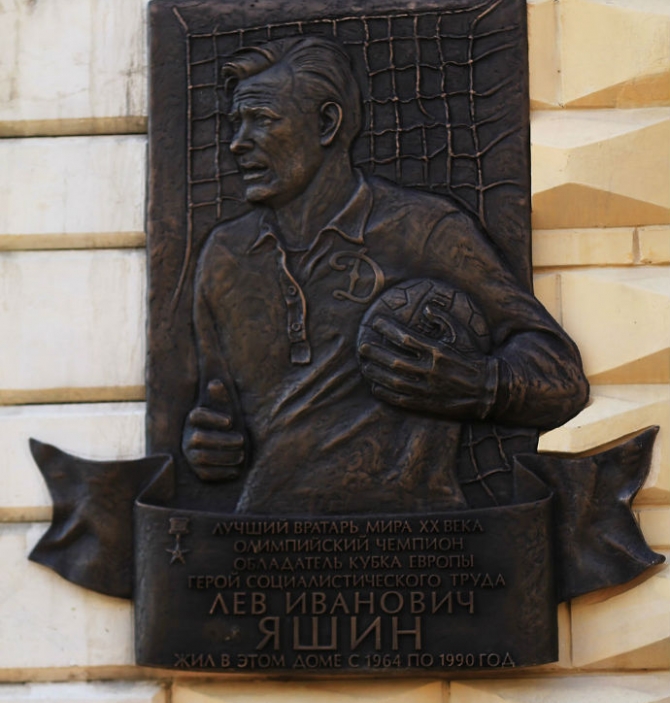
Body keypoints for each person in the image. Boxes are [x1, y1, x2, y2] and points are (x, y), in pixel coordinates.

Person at [182, 35, 588, 514]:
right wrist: (206, 441)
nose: (238, 142)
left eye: (263, 120)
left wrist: (480, 385)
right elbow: (216, 407)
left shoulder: (425, 230)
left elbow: (561, 377)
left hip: (423, 542)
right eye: (236, 122)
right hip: (263, 534)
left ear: (327, 123)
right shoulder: (224, 256)